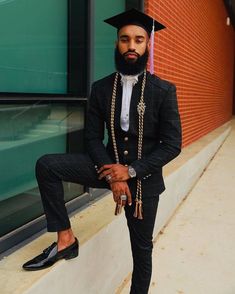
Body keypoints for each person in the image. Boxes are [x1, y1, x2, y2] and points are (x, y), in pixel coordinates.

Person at [22, 9, 181, 294]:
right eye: (125, 39)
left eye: (139, 40)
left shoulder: (164, 90)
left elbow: (172, 144)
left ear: (147, 45)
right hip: (107, 167)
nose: (131, 46)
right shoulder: (101, 88)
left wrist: (131, 171)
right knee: (47, 165)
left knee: (142, 251)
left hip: (144, 182)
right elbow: (93, 138)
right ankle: (65, 239)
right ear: (117, 43)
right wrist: (114, 176)